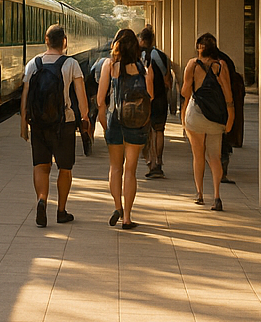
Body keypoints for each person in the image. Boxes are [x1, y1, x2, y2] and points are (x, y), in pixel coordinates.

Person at [21, 24, 89, 227]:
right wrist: (85, 118)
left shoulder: (33, 64)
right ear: (65, 42)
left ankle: (42, 199)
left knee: (41, 166)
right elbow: (81, 96)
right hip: (64, 124)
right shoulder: (71, 64)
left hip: (39, 124)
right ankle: (61, 210)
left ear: (46, 40)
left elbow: (25, 96)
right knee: (65, 168)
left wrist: (23, 124)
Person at [98, 28, 155, 230]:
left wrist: (104, 122)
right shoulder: (145, 67)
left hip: (115, 120)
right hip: (136, 123)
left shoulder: (109, 65)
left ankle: (117, 207)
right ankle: (128, 218)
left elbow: (100, 99)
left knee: (115, 167)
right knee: (130, 170)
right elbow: (151, 97)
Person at [181, 33, 235, 210]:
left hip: (196, 115)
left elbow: (184, 92)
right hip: (216, 117)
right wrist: (230, 114)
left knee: (198, 155)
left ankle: (199, 193)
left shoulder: (192, 64)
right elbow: (228, 93)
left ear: (198, 47)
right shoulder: (221, 66)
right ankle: (217, 196)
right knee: (214, 157)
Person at [138, 26, 174, 179]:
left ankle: (151, 162)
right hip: (160, 97)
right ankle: (159, 161)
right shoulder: (161, 55)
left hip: (144, 98)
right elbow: (167, 78)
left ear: (142, 40)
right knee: (159, 130)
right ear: (153, 40)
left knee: (148, 131)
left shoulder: (137, 55)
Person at [212, 44, 245, 184]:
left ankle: (222, 169)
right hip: (223, 105)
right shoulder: (224, 59)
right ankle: (222, 168)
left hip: (221, 105)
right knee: (223, 137)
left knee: (222, 138)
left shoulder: (219, 63)